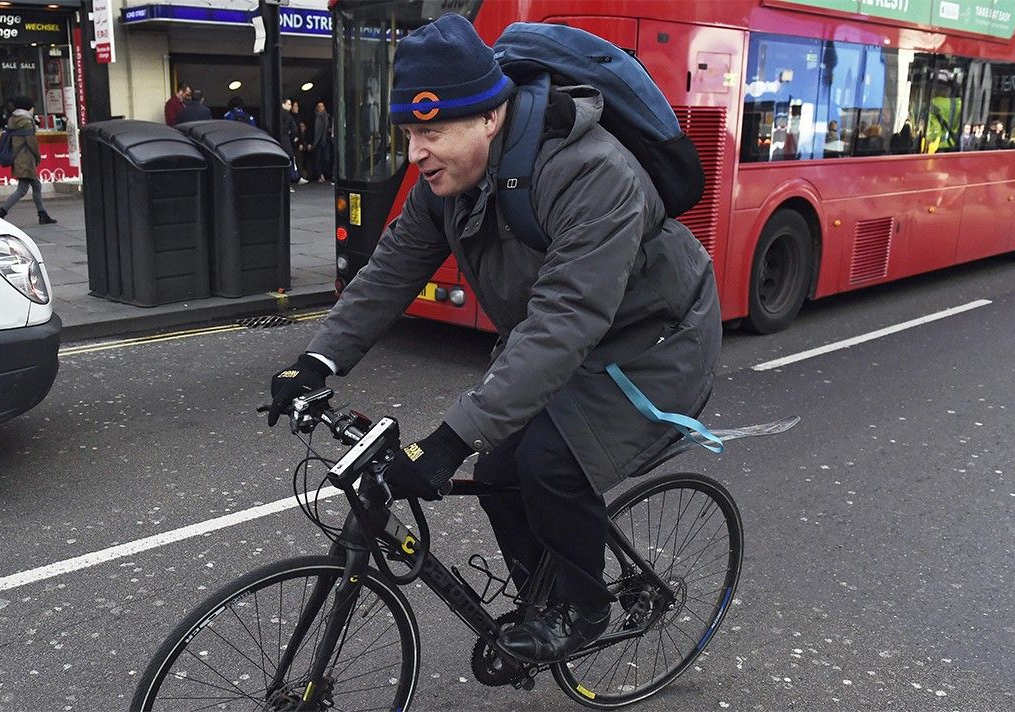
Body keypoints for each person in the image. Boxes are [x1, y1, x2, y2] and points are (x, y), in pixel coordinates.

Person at [265, 14, 720, 664]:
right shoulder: (446, 183)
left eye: (431, 132)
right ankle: (546, 593)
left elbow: (566, 320)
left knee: (543, 463)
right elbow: (392, 268)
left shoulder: (593, 174)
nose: (415, 152)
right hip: (564, 337)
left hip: (650, 342)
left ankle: (584, 611)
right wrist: (315, 361)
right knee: (500, 465)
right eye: (408, 134)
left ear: (490, 117)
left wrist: (447, 441)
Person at [0, 96, 57, 225]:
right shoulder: (26, 121)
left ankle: (42, 214)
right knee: (22, 190)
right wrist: (38, 156)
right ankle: (1, 212)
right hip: (25, 160)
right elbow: (32, 142)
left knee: (35, 186)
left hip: (19, 159)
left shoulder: (14, 119)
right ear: (28, 107)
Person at [279, 98, 304, 190]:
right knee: (288, 164)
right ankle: (288, 185)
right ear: (283, 105)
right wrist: (292, 137)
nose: (290, 106)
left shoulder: (276, 115)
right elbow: (294, 129)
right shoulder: (288, 116)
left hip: (277, 143)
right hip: (286, 141)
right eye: (289, 104)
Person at [311, 100, 333, 182]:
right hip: (317, 141)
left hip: (325, 140)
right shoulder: (314, 117)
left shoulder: (328, 116)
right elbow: (311, 130)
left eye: (322, 106)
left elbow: (330, 126)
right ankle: (319, 175)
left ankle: (325, 173)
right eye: (319, 106)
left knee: (326, 158)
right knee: (318, 159)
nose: (320, 108)